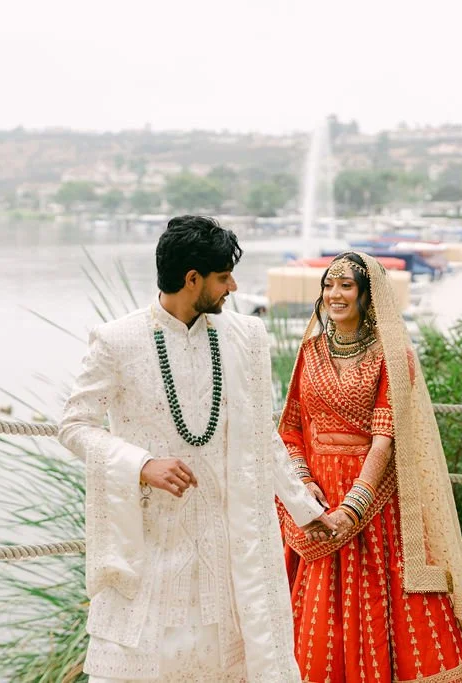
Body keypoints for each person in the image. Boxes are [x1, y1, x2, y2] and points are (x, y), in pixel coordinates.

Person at [59, 215, 337, 682]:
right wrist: (141, 464)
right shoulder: (117, 340)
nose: (233, 287)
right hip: (151, 538)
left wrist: (305, 509)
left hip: (225, 544)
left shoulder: (244, 337)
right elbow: (74, 425)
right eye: (224, 277)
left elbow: (260, 434)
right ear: (193, 279)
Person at [277, 252, 462, 682]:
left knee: (376, 602)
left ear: (367, 294)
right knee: (314, 616)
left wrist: (352, 507)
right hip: (315, 502)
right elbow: (292, 426)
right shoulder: (309, 352)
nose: (335, 295)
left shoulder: (392, 356)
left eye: (346, 285)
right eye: (328, 285)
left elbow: (384, 439)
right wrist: (302, 483)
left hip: (371, 506)